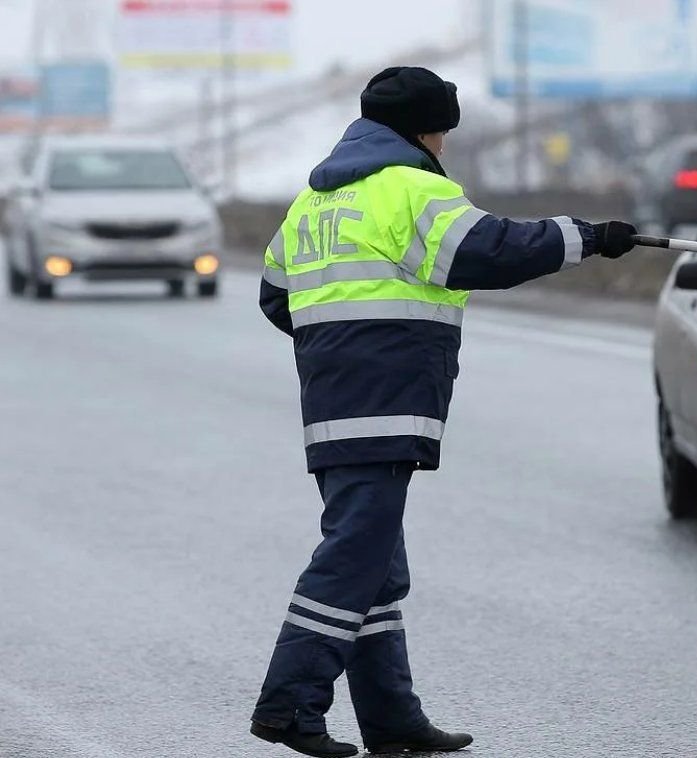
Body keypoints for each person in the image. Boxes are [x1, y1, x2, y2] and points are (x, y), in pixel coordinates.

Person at [250, 66, 637, 757]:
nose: (444, 144)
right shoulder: (415, 187)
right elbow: (487, 250)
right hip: (387, 395)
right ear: (427, 130)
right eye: (443, 131)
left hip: (335, 398)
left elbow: (276, 295)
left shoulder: (315, 199)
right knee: (353, 556)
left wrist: (334, 345)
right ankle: (288, 703)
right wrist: (588, 236)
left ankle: (393, 719)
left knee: (375, 564)